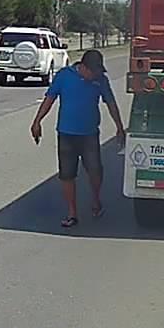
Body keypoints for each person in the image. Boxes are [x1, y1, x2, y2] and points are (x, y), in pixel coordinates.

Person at [30, 49, 126, 228]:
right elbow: (49, 99)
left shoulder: (101, 80)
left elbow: (111, 104)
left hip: (89, 134)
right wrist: (37, 121)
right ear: (83, 67)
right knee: (67, 175)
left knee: (95, 170)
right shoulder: (64, 76)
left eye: (98, 72)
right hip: (66, 134)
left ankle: (96, 199)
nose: (95, 75)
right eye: (94, 72)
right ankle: (72, 212)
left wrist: (119, 127)